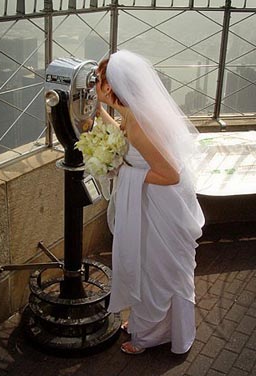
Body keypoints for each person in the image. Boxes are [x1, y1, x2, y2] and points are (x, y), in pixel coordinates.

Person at [95, 50, 205, 355]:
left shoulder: (140, 125)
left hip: (159, 205)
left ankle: (150, 337)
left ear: (111, 87)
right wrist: (96, 117)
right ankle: (149, 325)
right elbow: (123, 135)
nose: (95, 86)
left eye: (99, 80)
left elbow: (169, 173)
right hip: (153, 201)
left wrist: (123, 172)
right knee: (150, 267)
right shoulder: (132, 114)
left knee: (156, 270)